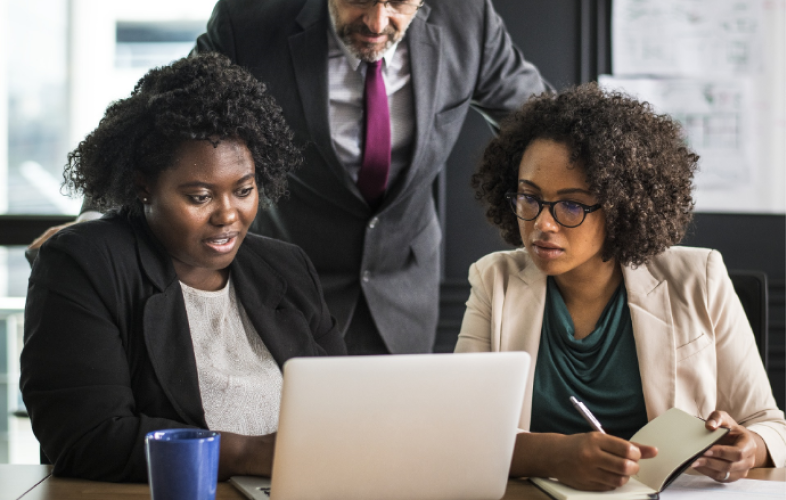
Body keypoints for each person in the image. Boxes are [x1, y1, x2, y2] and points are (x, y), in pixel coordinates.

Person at [20, 53, 346, 483]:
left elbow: (344, 409)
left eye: (244, 190)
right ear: (144, 187)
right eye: (199, 197)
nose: (228, 215)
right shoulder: (84, 264)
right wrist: (249, 452)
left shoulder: (285, 266)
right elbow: (87, 437)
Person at [456, 84, 786, 491]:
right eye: (529, 198)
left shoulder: (699, 277)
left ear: (620, 207)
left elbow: (769, 424)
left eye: (571, 204)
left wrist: (748, 448)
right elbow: (461, 435)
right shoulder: (494, 280)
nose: (543, 223)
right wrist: (554, 455)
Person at [189, 0, 548, 354]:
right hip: (284, 282)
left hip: (404, 285)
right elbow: (177, 123)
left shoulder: (468, 19)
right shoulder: (247, 20)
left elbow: (545, 126)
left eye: (398, 3)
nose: (377, 23)